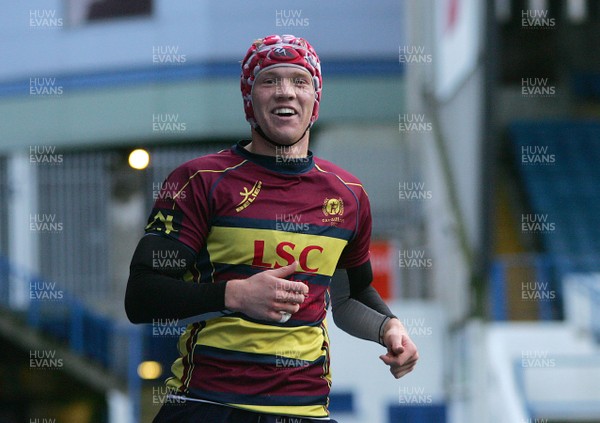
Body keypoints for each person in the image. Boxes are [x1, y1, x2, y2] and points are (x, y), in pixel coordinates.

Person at [125, 34, 418, 423]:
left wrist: (389, 327)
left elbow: (350, 296)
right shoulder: (199, 179)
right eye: (269, 80)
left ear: (316, 98)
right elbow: (141, 295)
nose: (286, 93)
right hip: (210, 408)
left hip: (305, 411)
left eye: (300, 81)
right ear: (249, 97)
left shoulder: (349, 195)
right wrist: (235, 295)